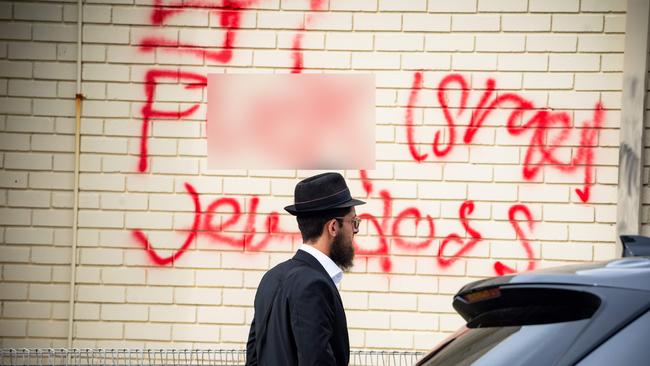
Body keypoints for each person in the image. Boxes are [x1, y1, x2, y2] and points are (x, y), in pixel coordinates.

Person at [246, 172, 364, 366]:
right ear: (333, 227)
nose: (355, 231)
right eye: (354, 222)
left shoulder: (271, 278)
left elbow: (253, 357)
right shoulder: (314, 285)